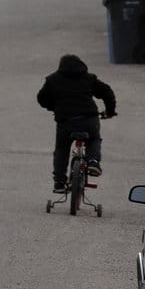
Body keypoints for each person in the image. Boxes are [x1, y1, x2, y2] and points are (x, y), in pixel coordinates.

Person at [37, 54, 116, 193]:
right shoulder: (89, 79)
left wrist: (53, 107)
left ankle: (60, 183)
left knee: (62, 149)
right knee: (93, 139)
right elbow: (107, 92)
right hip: (88, 119)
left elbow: (41, 98)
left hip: (66, 122)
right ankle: (93, 162)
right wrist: (110, 111)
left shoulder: (53, 79)